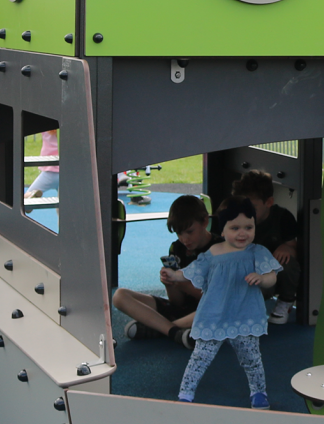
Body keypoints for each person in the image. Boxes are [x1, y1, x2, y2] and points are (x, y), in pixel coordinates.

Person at [165, 198, 282, 408]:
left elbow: (272, 276)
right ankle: (186, 393)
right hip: (214, 315)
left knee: (252, 358)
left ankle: (258, 392)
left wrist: (262, 279)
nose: (242, 233)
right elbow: (192, 271)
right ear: (223, 228)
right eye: (235, 227)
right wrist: (174, 276)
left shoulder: (257, 252)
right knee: (201, 356)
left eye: (249, 227)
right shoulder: (213, 253)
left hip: (244, 315)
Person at [113, 195, 217, 347]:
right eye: (179, 233)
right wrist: (170, 285)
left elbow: (217, 299)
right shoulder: (177, 248)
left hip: (208, 311)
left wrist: (184, 285)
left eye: (189, 231)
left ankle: (161, 327)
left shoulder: (220, 249)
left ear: (205, 222)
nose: (184, 239)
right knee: (119, 296)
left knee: (224, 308)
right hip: (182, 310)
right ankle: (174, 331)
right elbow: (177, 302)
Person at [227, 169, 299, 324]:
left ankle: (285, 301)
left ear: (269, 202)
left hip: (272, 273)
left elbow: (293, 247)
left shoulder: (282, 218)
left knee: (288, 262)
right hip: (250, 274)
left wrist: (287, 248)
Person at [24, 129, 59, 199]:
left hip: (50, 172)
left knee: (25, 199)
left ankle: (31, 194)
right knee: (62, 205)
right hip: (67, 172)